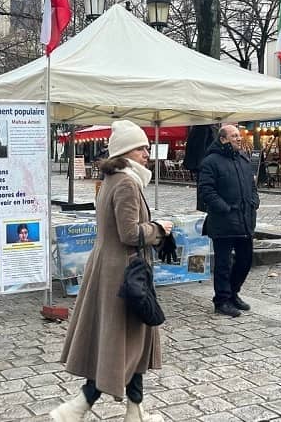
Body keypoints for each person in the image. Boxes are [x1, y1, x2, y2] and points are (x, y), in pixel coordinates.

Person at [52, 120, 173, 422]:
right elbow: (130, 233)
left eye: (146, 147)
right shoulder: (126, 184)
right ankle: (76, 407)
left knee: (129, 342)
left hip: (112, 269)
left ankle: (134, 411)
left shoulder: (114, 180)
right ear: (126, 152)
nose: (147, 152)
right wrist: (159, 229)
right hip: (124, 272)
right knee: (122, 345)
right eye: (141, 148)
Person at [198, 125, 258, 318]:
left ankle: (233, 292)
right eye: (234, 136)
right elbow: (206, 191)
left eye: (239, 136)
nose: (239, 139)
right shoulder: (210, 162)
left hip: (244, 220)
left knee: (245, 260)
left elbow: (251, 185)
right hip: (223, 221)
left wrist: (254, 202)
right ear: (223, 139)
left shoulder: (243, 159)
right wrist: (224, 207)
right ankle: (222, 300)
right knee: (223, 264)